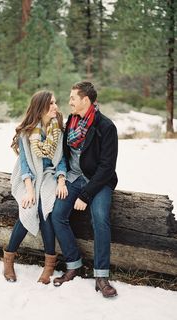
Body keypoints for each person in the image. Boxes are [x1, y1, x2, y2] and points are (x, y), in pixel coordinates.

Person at [51, 81, 118, 298]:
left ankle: (101, 276)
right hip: (73, 177)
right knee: (57, 215)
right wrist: (62, 180)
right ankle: (73, 263)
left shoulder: (106, 126)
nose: (69, 102)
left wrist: (86, 194)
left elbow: (107, 167)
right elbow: (64, 155)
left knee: (99, 217)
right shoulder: (71, 121)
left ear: (85, 100)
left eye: (73, 98)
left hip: (97, 180)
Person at [3, 90, 68, 284]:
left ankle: (49, 265)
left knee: (45, 208)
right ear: (40, 109)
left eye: (55, 103)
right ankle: (8, 259)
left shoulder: (58, 130)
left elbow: (62, 159)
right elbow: (25, 164)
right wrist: (30, 189)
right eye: (51, 104)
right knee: (28, 207)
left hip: (50, 175)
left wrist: (62, 180)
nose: (55, 107)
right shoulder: (26, 133)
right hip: (28, 177)